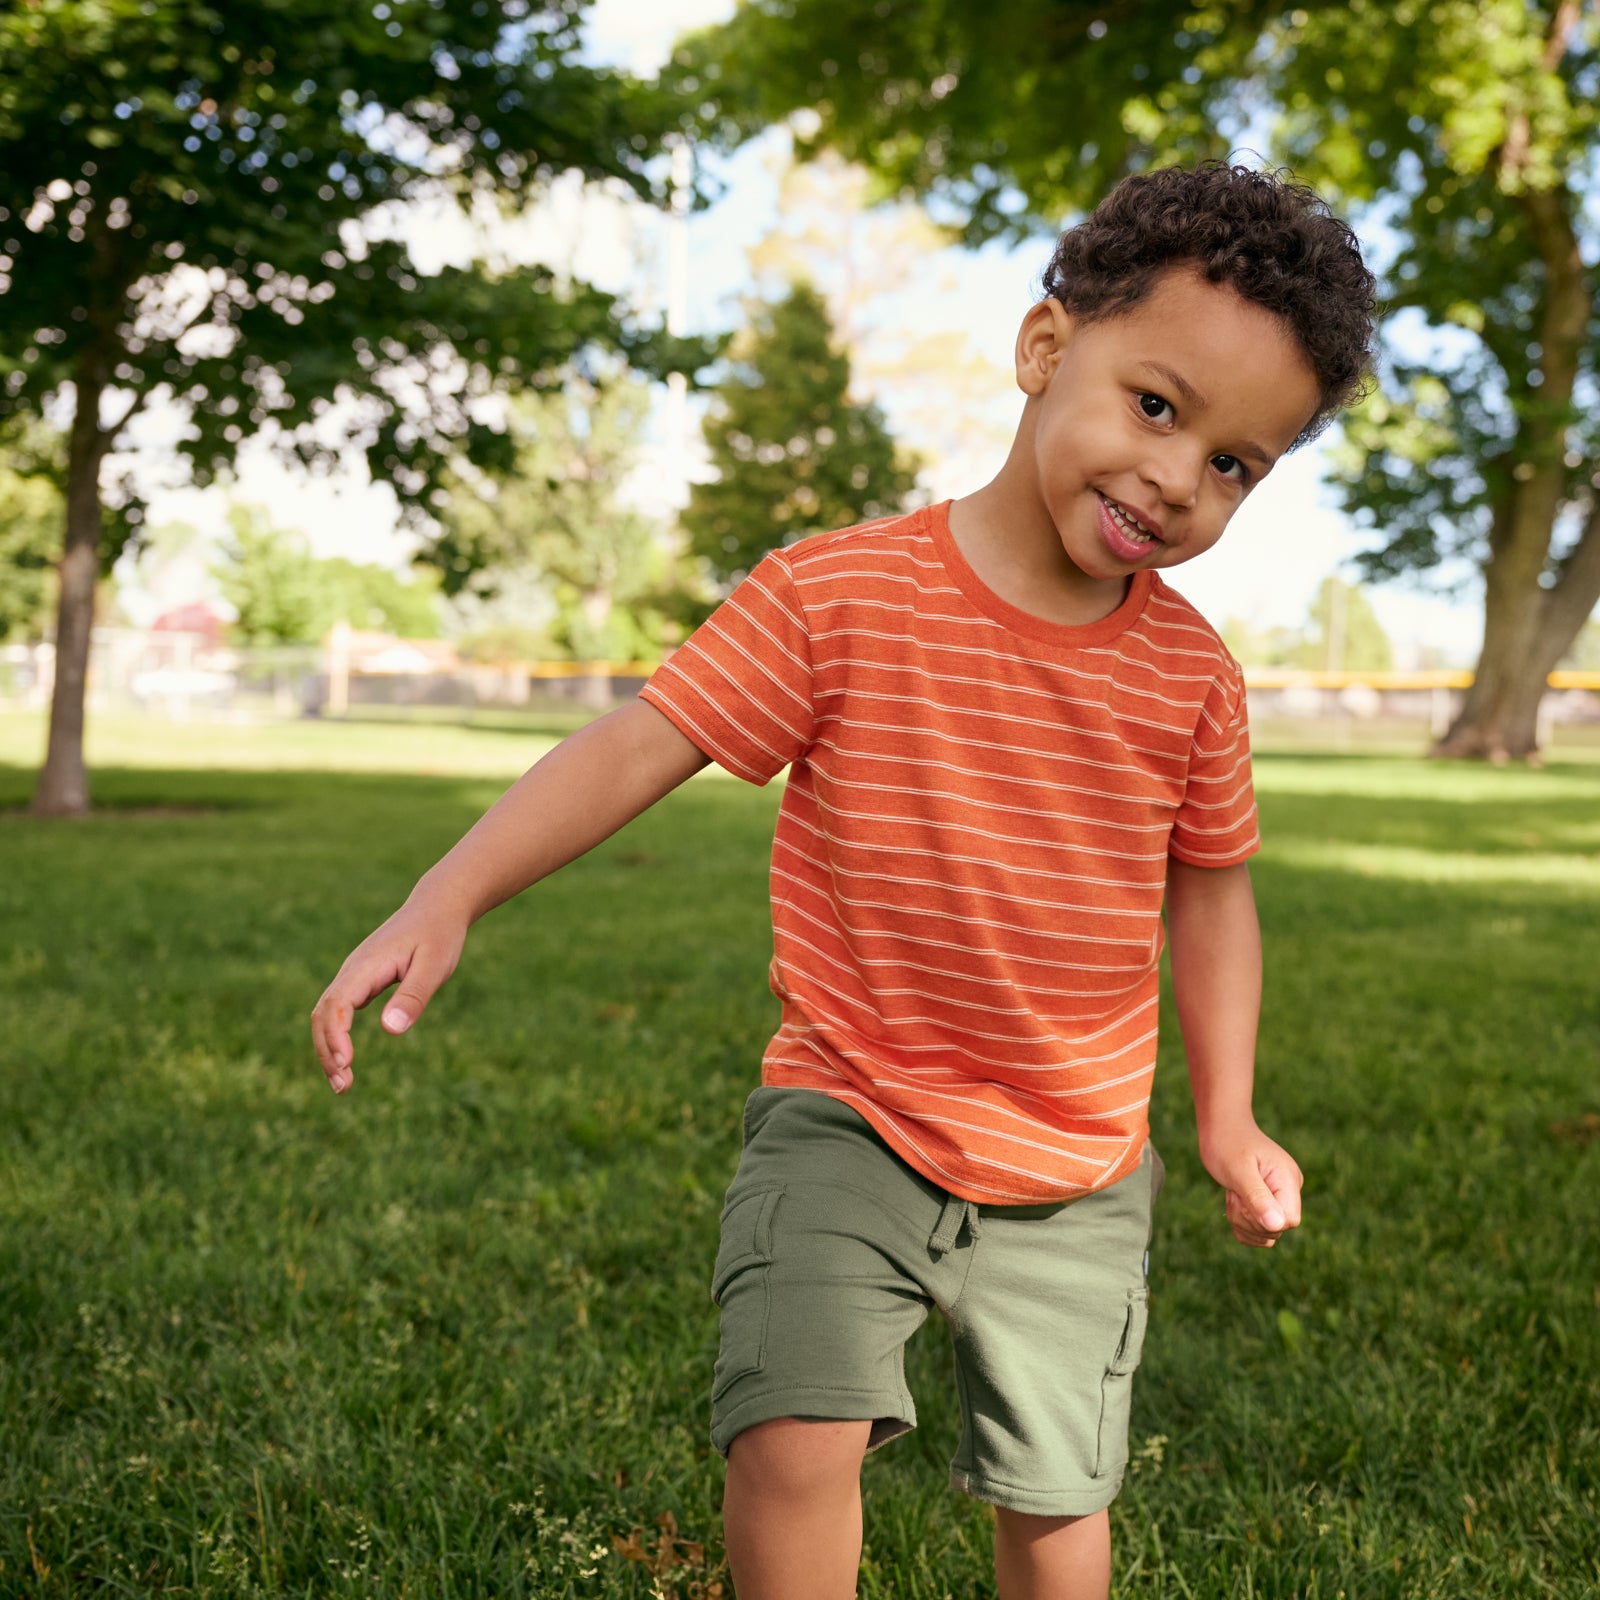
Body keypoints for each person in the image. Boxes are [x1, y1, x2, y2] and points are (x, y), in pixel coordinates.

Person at [311, 161, 1375, 1600]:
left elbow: (1213, 894)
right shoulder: (839, 596)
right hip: (851, 1109)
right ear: (1047, 348)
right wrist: (449, 891)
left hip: (1076, 1165)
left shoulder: (1193, 679)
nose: (1179, 478)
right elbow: (643, 741)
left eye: (1237, 463)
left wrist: (1231, 1116)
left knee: (1059, 1506)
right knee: (793, 1438)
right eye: (1159, 406)